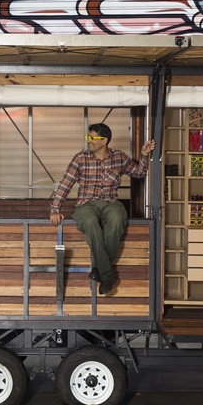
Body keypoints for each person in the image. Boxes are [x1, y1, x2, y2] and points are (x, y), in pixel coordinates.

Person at [50, 123, 156, 296]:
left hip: (110, 203)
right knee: (91, 222)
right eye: (88, 137)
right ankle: (107, 275)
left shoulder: (119, 157)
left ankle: (99, 269)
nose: (89, 141)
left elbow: (139, 173)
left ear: (104, 141)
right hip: (86, 204)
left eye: (93, 138)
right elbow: (65, 184)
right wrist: (55, 208)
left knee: (117, 219)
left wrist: (144, 155)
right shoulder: (80, 158)